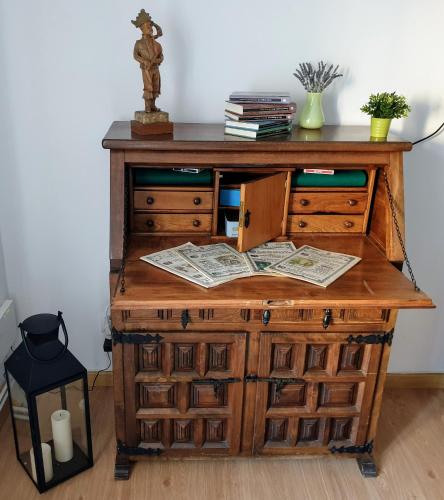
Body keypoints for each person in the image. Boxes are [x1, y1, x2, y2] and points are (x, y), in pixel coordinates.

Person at [132, 9, 164, 113]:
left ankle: (153, 105)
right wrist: (144, 61)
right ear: (142, 29)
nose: (150, 28)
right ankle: (147, 106)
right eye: (147, 26)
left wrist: (158, 60)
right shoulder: (139, 43)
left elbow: (161, 56)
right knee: (148, 87)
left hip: (155, 68)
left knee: (155, 86)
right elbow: (135, 55)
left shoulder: (157, 45)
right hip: (146, 69)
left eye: (150, 26)